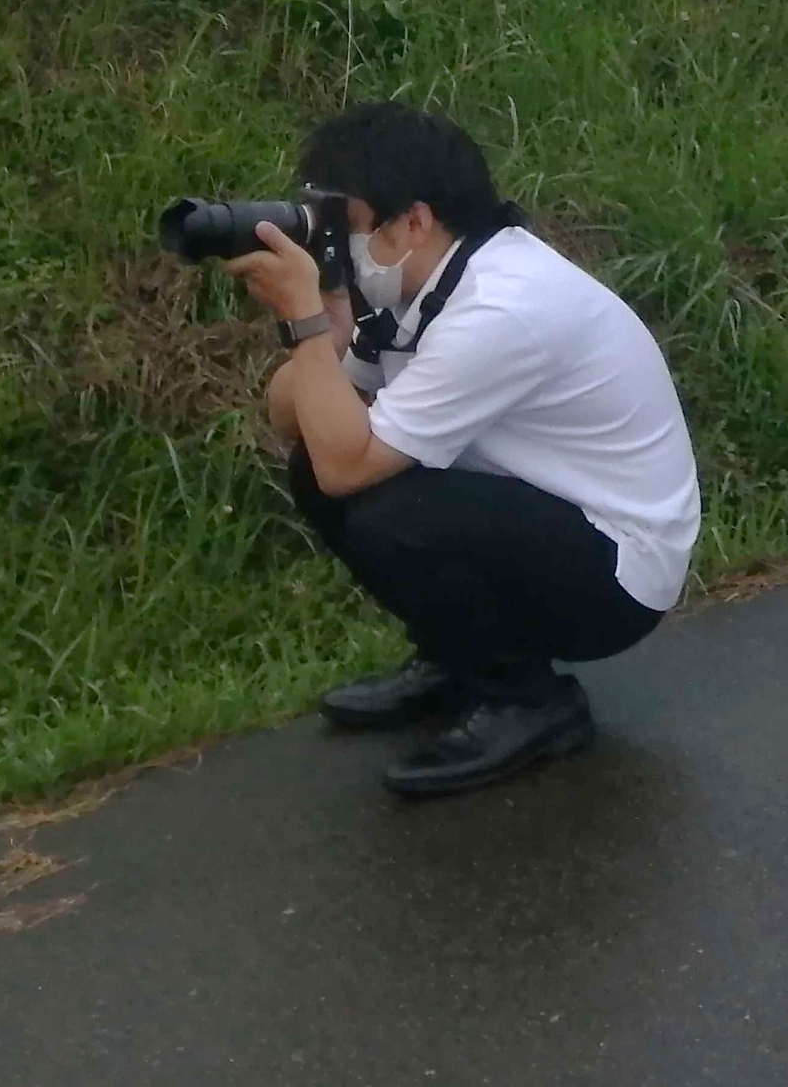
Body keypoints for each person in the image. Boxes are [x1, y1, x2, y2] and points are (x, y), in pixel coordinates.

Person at [218, 102, 700, 798]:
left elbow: (348, 464)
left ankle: (528, 701)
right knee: (320, 475)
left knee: (388, 509)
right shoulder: (423, 286)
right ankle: (458, 661)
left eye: (343, 227)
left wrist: (303, 325)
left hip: (618, 573)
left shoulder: (502, 306)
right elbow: (293, 421)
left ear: (412, 220)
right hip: (544, 518)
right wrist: (324, 324)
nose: (335, 247)